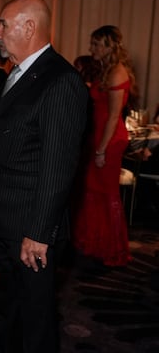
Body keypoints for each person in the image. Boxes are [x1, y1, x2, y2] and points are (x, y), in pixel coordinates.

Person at [0, 0, 89, 353]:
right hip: (6, 221)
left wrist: (38, 233)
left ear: (29, 27)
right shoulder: (21, 74)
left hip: (30, 231)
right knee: (9, 312)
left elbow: (58, 166)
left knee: (36, 322)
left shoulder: (60, 80)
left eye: (3, 25)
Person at [72, 25, 135, 267]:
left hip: (109, 139)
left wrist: (101, 150)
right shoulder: (104, 70)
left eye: (96, 44)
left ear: (109, 47)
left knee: (106, 194)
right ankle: (93, 244)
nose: (91, 48)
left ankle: (111, 248)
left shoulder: (117, 73)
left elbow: (113, 116)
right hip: (99, 137)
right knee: (92, 192)